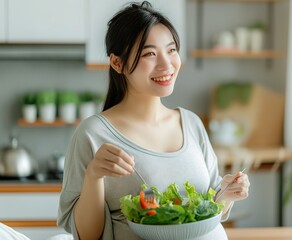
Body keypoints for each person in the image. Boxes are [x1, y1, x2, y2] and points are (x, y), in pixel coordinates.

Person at [57, 1, 250, 240]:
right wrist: (93, 176)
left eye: (171, 50)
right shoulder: (93, 134)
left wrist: (227, 193)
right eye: (149, 53)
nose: (166, 64)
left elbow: (207, 208)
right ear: (117, 63)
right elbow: (87, 235)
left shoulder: (191, 123)